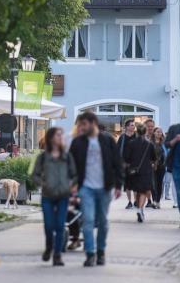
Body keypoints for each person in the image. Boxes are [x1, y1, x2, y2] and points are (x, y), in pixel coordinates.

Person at [69, 111, 124, 267]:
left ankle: (101, 251)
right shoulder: (78, 142)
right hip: (86, 187)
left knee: (103, 222)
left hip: (104, 187)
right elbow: (71, 165)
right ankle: (90, 253)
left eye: (83, 124)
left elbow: (117, 163)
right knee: (88, 220)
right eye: (79, 125)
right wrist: (72, 184)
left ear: (92, 123)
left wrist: (119, 185)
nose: (81, 127)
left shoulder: (107, 140)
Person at [31, 127, 77, 266]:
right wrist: (43, 184)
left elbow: (74, 174)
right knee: (49, 225)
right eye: (58, 135)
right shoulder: (43, 157)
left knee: (60, 226)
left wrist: (71, 186)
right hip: (47, 196)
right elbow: (35, 174)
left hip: (63, 195)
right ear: (51, 138)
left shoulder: (67, 156)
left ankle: (57, 255)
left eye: (61, 136)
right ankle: (49, 247)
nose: (61, 138)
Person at [124, 123, 155, 223]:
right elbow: (153, 158)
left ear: (137, 131)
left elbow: (126, 157)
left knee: (137, 190)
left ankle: (139, 208)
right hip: (145, 170)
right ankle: (140, 209)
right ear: (145, 132)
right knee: (143, 191)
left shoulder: (131, 143)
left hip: (133, 170)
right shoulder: (149, 144)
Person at [117, 120, 138, 209]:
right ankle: (129, 201)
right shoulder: (122, 137)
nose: (133, 127)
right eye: (131, 125)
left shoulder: (137, 137)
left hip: (135, 164)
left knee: (136, 184)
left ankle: (136, 201)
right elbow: (117, 150)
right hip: (125, 164)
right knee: (127, 184)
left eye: (134, 125)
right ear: (127, 127)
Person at [151, 127, 167, 209]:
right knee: (153, 183)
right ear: (154, 133)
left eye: (160, 132)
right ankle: (154, 200)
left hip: (162, 166)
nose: (159, 133)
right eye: (157, 132)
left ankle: (158, 201)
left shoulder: (164, 143)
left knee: (160, 184)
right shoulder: (150, 142)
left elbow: (167, 153)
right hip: (152, 166)